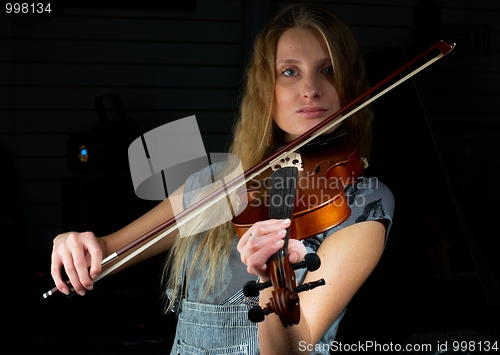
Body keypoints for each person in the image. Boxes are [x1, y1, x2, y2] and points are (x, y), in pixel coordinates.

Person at [50, 3, 394, 354]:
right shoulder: (221, 181)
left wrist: (272, 279)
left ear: (349, 84)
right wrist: (76, 244)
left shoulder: (363, 200)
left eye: (329, 70)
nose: (311, 88)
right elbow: (107, 252)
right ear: (266, 90)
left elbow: (293, 348)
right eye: (290, 71)